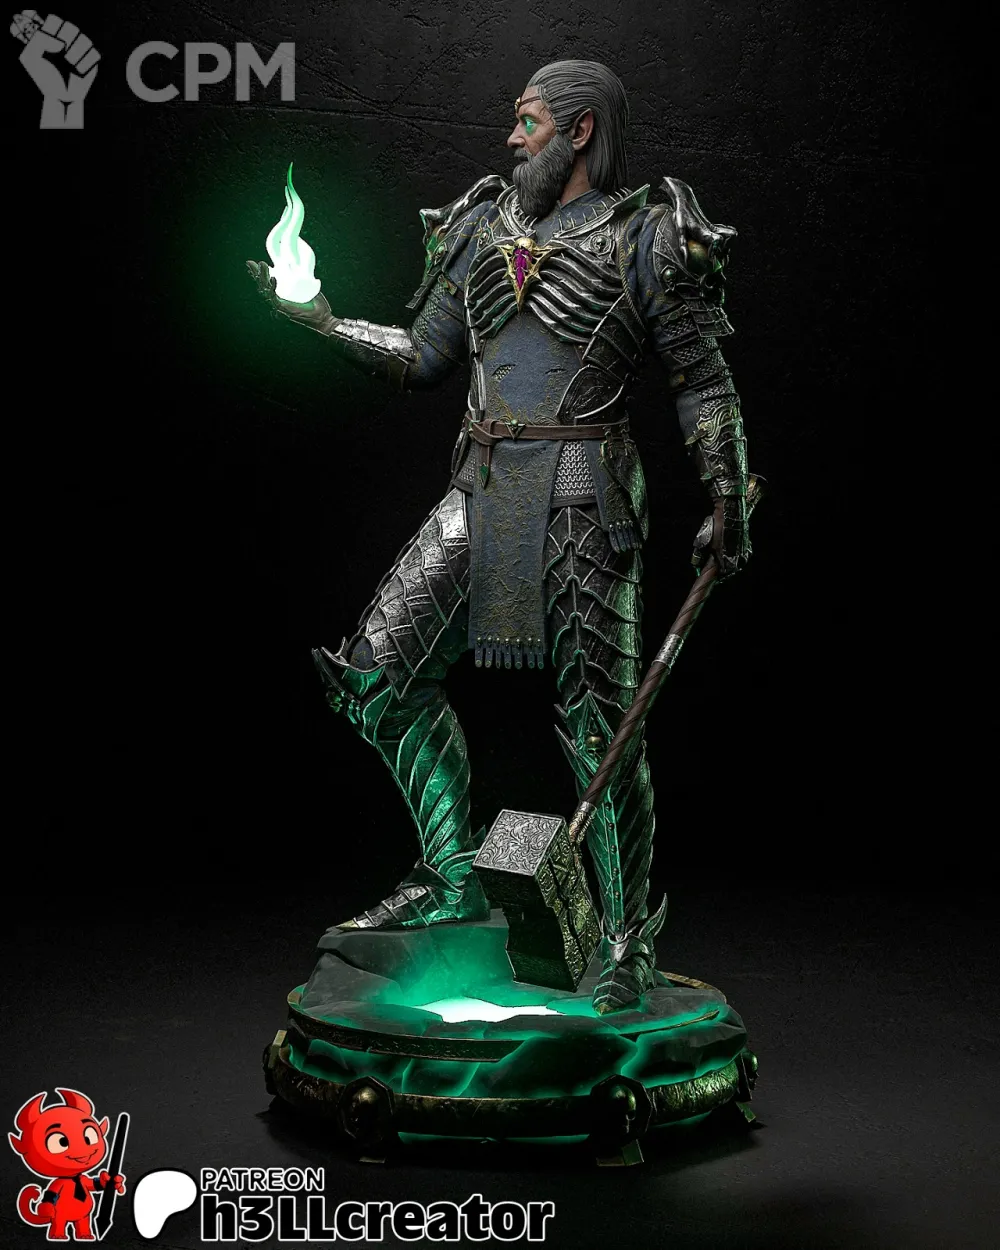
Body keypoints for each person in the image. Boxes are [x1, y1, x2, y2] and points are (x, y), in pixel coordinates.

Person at [247, 59, 751, 1013]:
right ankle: (451, 876)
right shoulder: (481, 223)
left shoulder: (645, 235)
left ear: (581, 131)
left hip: (581, 494)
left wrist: (726, 491)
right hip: (479, 486)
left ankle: (623, 938)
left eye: (529, 121)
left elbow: (701, 378)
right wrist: (319, 321)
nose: (513, 138)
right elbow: (422, 356)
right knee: (377, 676)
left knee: (603, 728)